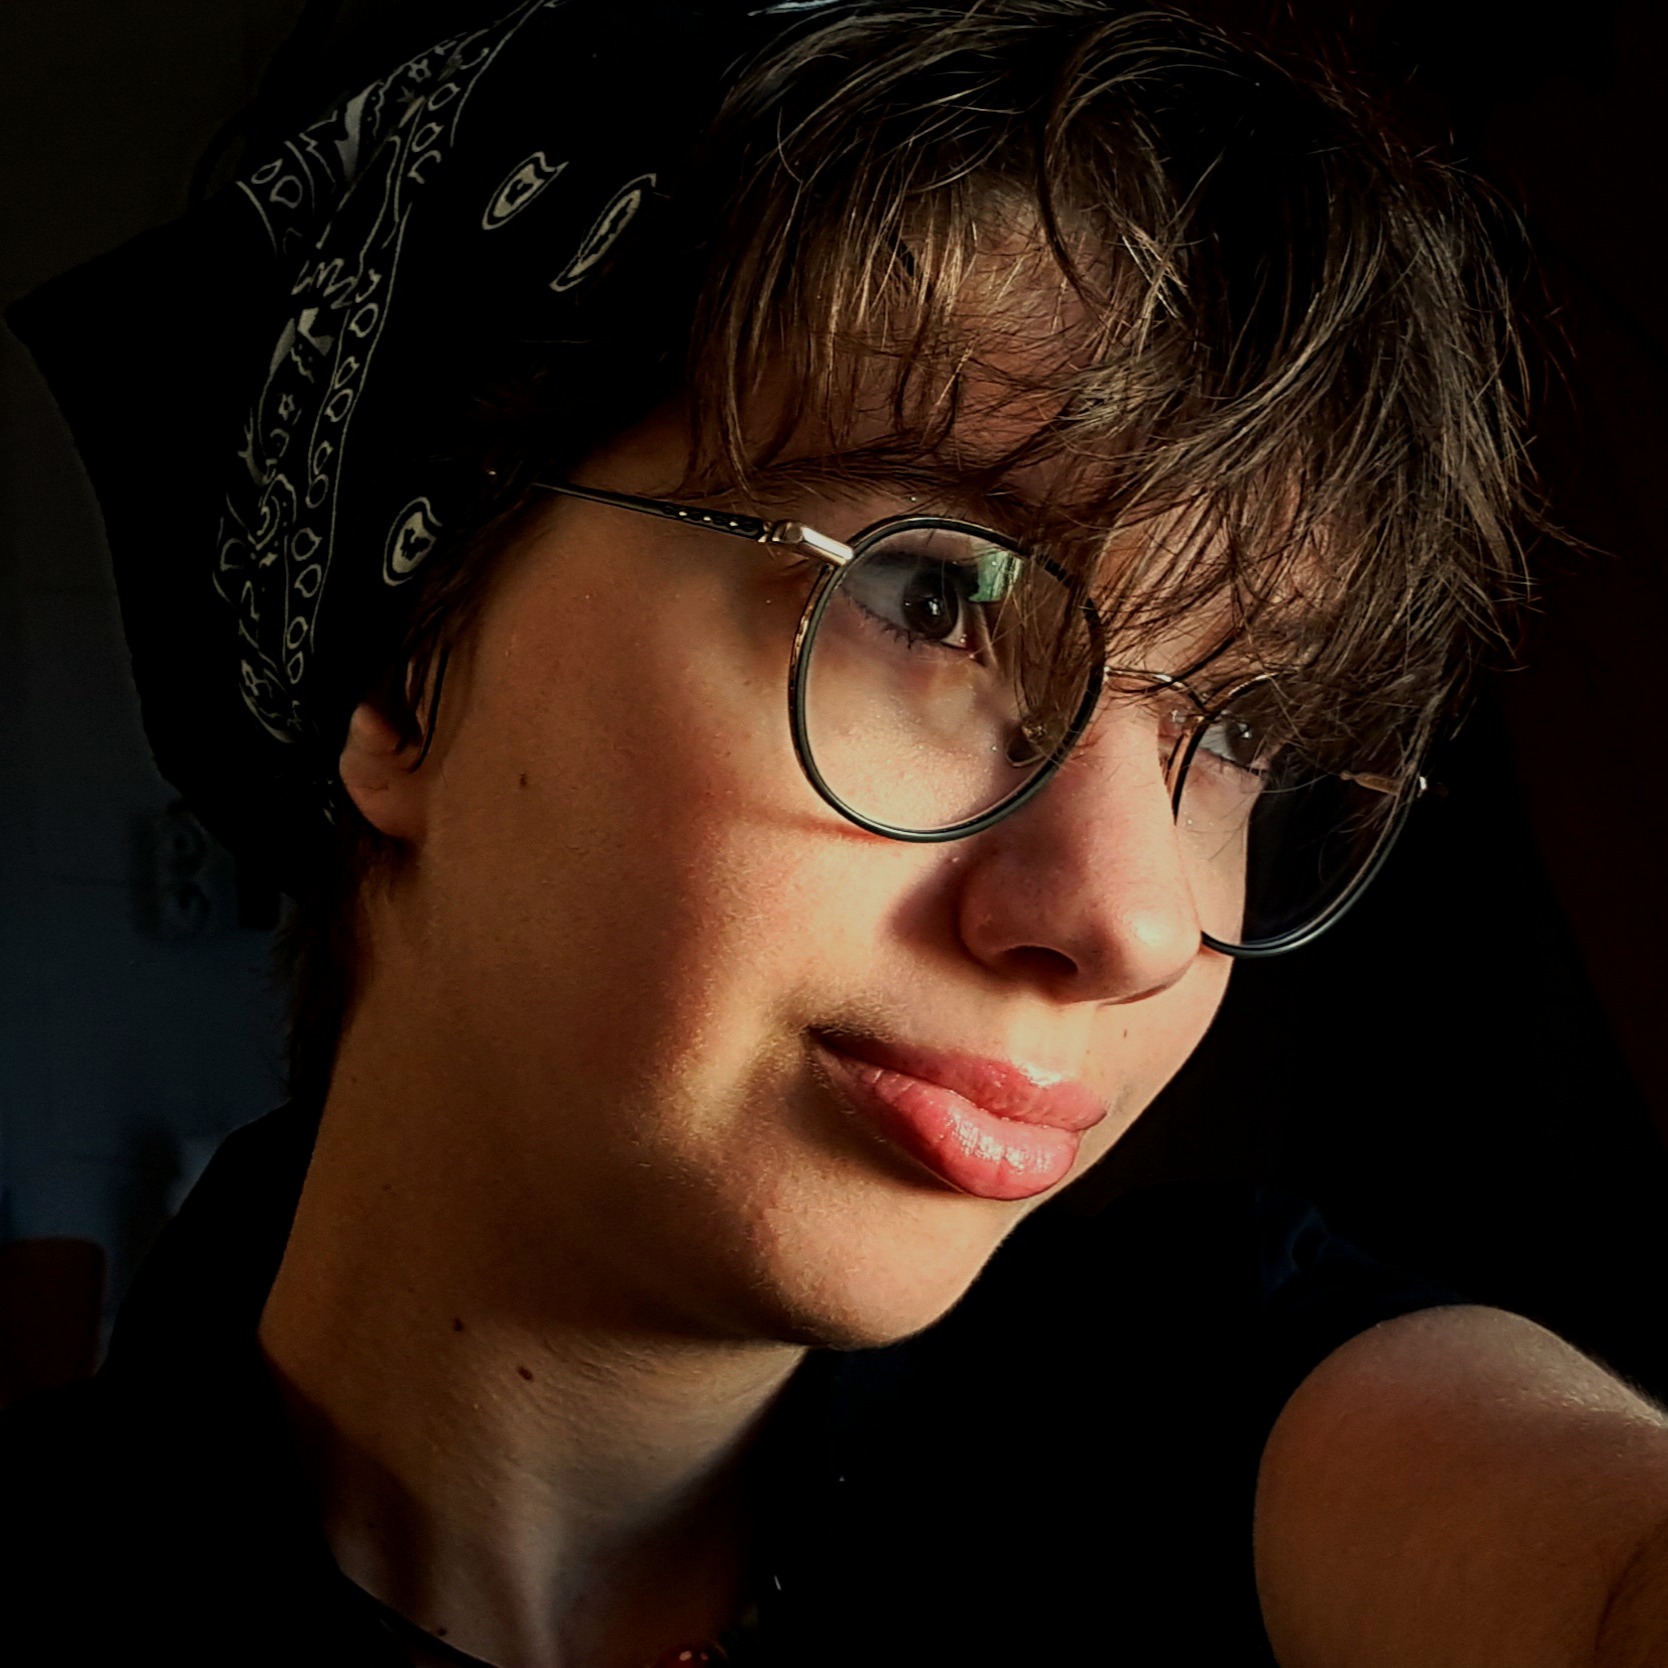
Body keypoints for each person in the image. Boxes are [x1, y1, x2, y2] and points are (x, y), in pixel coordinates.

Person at [5, 1, 1668, 1664]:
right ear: (405, 672)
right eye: (931, 599)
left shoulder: (1203, 1427)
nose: (1136, 920)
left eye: (1242, 732)